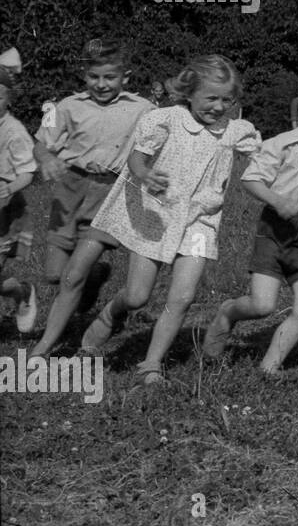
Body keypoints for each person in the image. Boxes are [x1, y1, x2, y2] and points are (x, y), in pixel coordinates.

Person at [77, 56, 260, 383]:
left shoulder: (234, 131)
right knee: (137, 297)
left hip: (201, 222)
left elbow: (267, 155)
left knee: (183, 296)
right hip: (157, 216)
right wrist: (145, 174)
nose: (219, 107)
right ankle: (110, 313)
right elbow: (136, 157)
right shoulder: (166, 120)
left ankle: (150, 365)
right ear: (190, 92)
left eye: (227, 100)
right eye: (211, 98)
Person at [203, 78, 298, 372]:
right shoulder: (281, 144)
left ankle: (268, 369)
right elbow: (250, 179)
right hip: (275, 230)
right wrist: (278, 201)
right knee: (262, 306)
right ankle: (227, 314)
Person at [29, 39, 154, 356]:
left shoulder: (143, 109)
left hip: (109, 193)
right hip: (69, 190)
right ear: (84, 74)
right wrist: (46, 159)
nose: (101, 84)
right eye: (94, 77)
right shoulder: (66, 107)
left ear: (125, 76)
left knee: (73, 275)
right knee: (55, 274)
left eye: (109, 77)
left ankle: (48, 343)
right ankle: (94, 278)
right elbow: (41, 142)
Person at [0, 69, 38, 331]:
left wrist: (9, 187)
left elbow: (28, 171)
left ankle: (22, 292)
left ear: (9, 98)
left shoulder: (13, 131)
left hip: (5, 212)